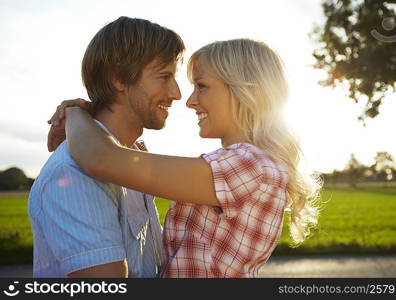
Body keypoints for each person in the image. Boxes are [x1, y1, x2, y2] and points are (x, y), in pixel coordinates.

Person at [48, 39, 321, 278]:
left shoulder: (248, 165)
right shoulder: (242, 164)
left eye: (202, 86)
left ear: (244, 92)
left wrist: (75, 113)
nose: (189, 100)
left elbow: (101, 159)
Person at [28, 16, 185, 277]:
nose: (176, 93)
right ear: (119, 79)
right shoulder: (73, 172)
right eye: (164, 76)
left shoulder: (131, 159)